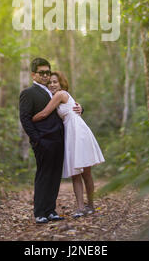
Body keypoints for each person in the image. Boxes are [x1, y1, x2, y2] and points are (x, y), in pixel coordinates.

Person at [32, 71, 105, 218]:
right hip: (70, 133)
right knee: (75, 174)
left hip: (78, 132)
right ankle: (80, 208)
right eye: (50, 82)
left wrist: (29, 119)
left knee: (86, 172)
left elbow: (45, 113)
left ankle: (90, 205)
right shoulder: (55, 96)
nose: (52, 84)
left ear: (61, 83)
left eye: (55, 82)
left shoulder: (60, 94)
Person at [19, 58, 82, 224]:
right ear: (33, 74)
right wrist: (37, 140)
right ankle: (40, 212)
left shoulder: (53, 91)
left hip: (60, 140)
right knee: (44, 176)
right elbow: (25, 119)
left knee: (55, 177)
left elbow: (67, 106)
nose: (46, 75)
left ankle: (50, 210)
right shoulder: (28, 93)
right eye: (42, 73)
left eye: (48, 72)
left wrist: (81, 107)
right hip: (43, 141)